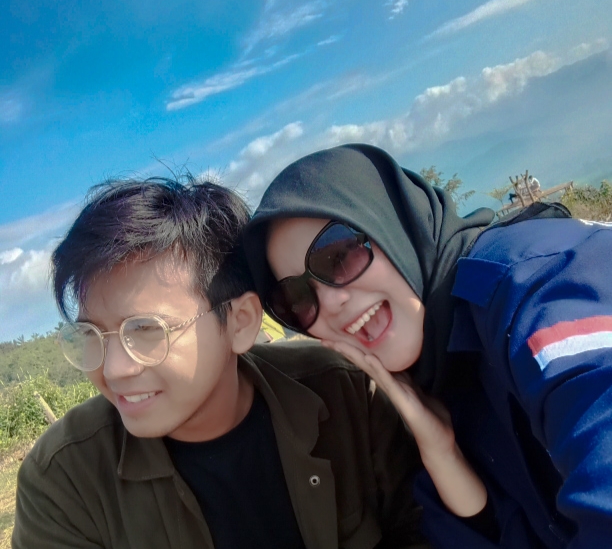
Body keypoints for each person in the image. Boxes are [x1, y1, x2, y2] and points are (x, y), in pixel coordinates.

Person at [12, 175, 431, 549]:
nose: (114, 369)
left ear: (240, 322)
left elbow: (422, 530)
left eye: (146, 330)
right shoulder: (65, 480)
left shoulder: (346, 394)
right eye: (92, 334)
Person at [243, 144, 612, 549]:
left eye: (339, 256)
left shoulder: (533, 286)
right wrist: (444, 456)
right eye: (296, 298)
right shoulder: (435, 383)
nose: (329, 302)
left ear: (395, 224)